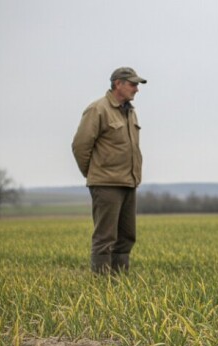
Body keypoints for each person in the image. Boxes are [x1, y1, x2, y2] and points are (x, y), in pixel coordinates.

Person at [72, 67, 147, 274]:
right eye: (132, 84)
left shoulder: (130, 111)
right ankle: (101, 287)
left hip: (128, 182)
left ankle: (119, 283)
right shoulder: (98, 109)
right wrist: (94, 174)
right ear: (118, 84)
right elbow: (80, 146)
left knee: (127, 236)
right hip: (106, 184)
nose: (136, 89)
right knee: (105, 237)